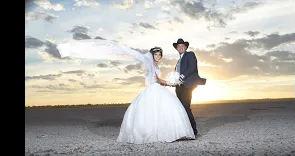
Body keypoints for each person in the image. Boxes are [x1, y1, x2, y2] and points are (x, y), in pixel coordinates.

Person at [56, 39, 195, 144]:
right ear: (152, 55)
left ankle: (170, 133)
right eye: (156, 54)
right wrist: (166, 81)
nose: (158, 56)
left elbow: (158, 79)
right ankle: (155, 135)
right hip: (152, 89)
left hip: (158, 87)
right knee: (152, 112)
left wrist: (170, 82)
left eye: (160, 55)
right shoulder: (147, 61)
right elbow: (153, 78)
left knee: (165, 110)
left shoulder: (156, 66)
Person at [172, 38, 207, 137]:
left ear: (186, 47)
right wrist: (173, 81)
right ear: (177, 49)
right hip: (179, 86)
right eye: (179, 46)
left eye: (182, 46)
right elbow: (176, 73)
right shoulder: (179, 61)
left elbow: (192, 68)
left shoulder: (190, 55)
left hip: (187, 85)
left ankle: (193, 130)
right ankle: (184, 130)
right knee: (181, 108)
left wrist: (181, 77)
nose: (180, 47)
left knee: (185, 107)